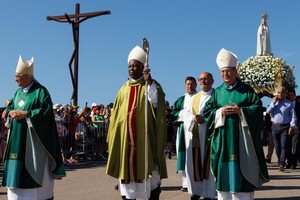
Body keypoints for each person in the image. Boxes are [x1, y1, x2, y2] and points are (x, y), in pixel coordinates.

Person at [204, 48, 269, 200]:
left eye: (228, 71)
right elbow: (208, 111)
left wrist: (241, 111)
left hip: (242, 141)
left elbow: (258, 109)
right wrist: (220, 112)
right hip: (224, 141)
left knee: (241, 177)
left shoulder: (246, 90)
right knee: (224, 176)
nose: (225, 75)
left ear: (235, 71)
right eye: (222, 72)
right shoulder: (217, 92)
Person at [105, 45, 167, 200]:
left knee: (150, 180)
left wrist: (150, 84)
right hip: (126, 142)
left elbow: (156, 104)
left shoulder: (150, 86)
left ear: (142, 68)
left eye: (135, 66)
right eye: (130, 66)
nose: (132, 69)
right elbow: (116, 117)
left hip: (145, 141)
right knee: (127, 185)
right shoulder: (123, 90)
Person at [1, 55, 66, 199]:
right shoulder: (17, 93)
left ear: (27, 76)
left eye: (17, 76)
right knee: (16, 178)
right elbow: (8, 110)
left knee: (37, 179)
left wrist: (27, 114)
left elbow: (46, 112)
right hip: (16, 143)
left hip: (34, 144)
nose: (15, 79)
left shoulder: (40, 92)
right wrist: (10, 112)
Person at [185, 72, 216, 200]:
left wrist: (206, 119)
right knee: (195, 163)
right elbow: (185, 114)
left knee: (209, 165)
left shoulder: (216, 95)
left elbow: (219, 111)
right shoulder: (194, 98)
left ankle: (209, 193)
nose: (203, 81)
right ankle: (197, 191)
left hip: (211, 135)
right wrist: (193, 118)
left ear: (212, 81)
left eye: (206, 79)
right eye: (201, 79)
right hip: (197, 135)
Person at [171, 76, 198, 192]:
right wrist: (183, 113)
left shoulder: (200, 97)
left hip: (197, 130)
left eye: (192, 84)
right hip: (184, 130)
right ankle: (185, 183)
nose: (190, 86)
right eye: (187, 84)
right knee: (185, 157)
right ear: (185, 85)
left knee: (196, 156)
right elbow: (174, 113)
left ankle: (197, 183)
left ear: (196, 85)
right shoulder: (181, 100)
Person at [266, 86, 297, 171]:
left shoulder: (289, 104)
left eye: (282, 92)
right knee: (277, 147)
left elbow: (293, 116)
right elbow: (268, 111)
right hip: (275, 126)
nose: (280, 94)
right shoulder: (274, 102)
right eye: (279, 92)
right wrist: (273, 103)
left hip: (285, 127)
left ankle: (282, 163)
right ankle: (280, 161)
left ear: (285, 93)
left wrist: (292, 126)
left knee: (284, 145)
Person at [281, 89, 298, 169]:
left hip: (297, 128)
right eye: (289, 95)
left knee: (295, 145)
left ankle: (294, 163)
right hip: (287, 127)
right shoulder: (286, 104)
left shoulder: (298, 104)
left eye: (291, 95)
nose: (290, 97)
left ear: (294, 96)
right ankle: (289, 161)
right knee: (287, 145)